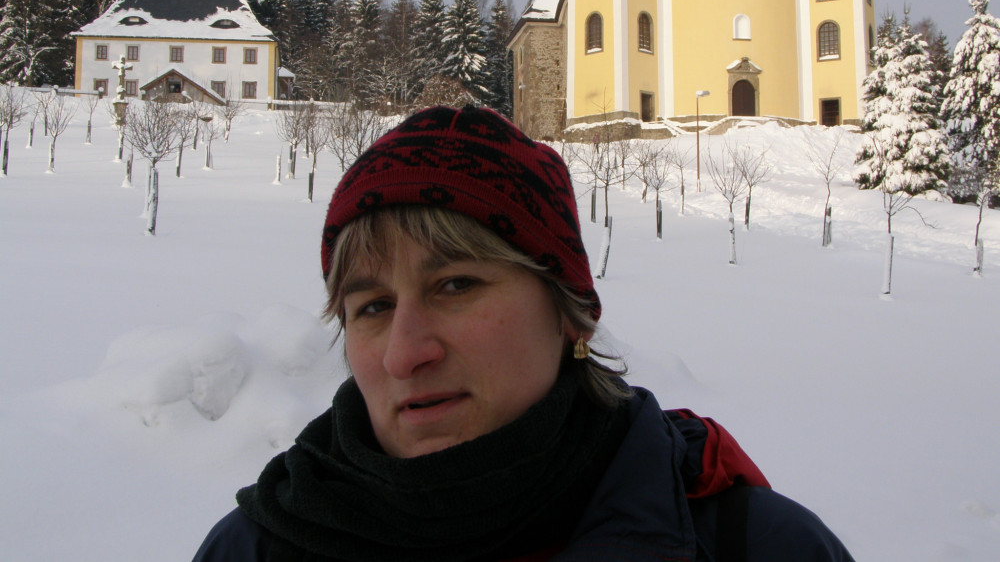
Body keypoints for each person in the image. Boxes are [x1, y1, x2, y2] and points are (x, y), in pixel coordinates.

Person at [193, 105, 854, 562]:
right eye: (371, 306)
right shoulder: (256, 547)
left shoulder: (754, 546)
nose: (403, 354)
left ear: (568, 313)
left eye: (456, 285)